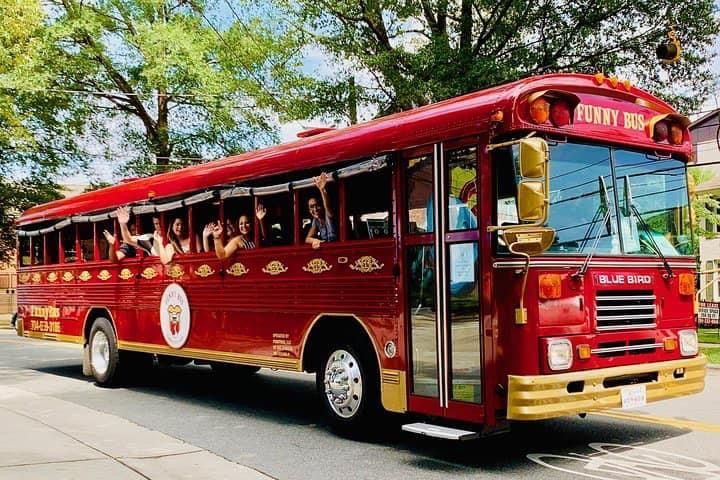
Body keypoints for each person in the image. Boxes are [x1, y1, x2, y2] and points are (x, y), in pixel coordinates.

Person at [305, 172, 336, 249]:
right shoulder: (316, 221)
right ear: (309, 210)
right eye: (311, 207)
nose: (315, 209)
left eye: (317, 205)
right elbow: (307, 239)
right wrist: (315, 241)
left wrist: (322, 190)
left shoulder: (328, 215)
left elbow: (327, 206)